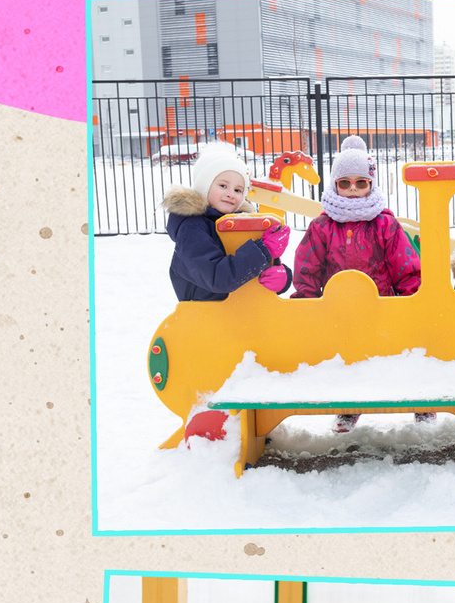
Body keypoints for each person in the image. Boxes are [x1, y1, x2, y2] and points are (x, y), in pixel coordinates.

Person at [291, 134, 424, 432]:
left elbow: (405, 266)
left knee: (399, 355)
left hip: (383, 305)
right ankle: (349, 405)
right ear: (335, 185)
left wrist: (409, 303)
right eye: (345, 183)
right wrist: (308, 304)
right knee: (348, 358)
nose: (353, 190)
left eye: (361, 183)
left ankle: (420, 401)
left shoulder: (384, 223)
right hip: (340, 308)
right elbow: (308, 268)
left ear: (371, 185)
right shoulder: (323, 226)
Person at [162, 140, 287, 301]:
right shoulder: (192, 227)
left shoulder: (242, 223)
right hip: (204, 317)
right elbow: (217, 277)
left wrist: (281, 278)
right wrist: (263, 250)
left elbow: (255, 265)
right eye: (223, 186)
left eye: (238, 190)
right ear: (204, 186)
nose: (231, 194)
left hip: (242, 314)